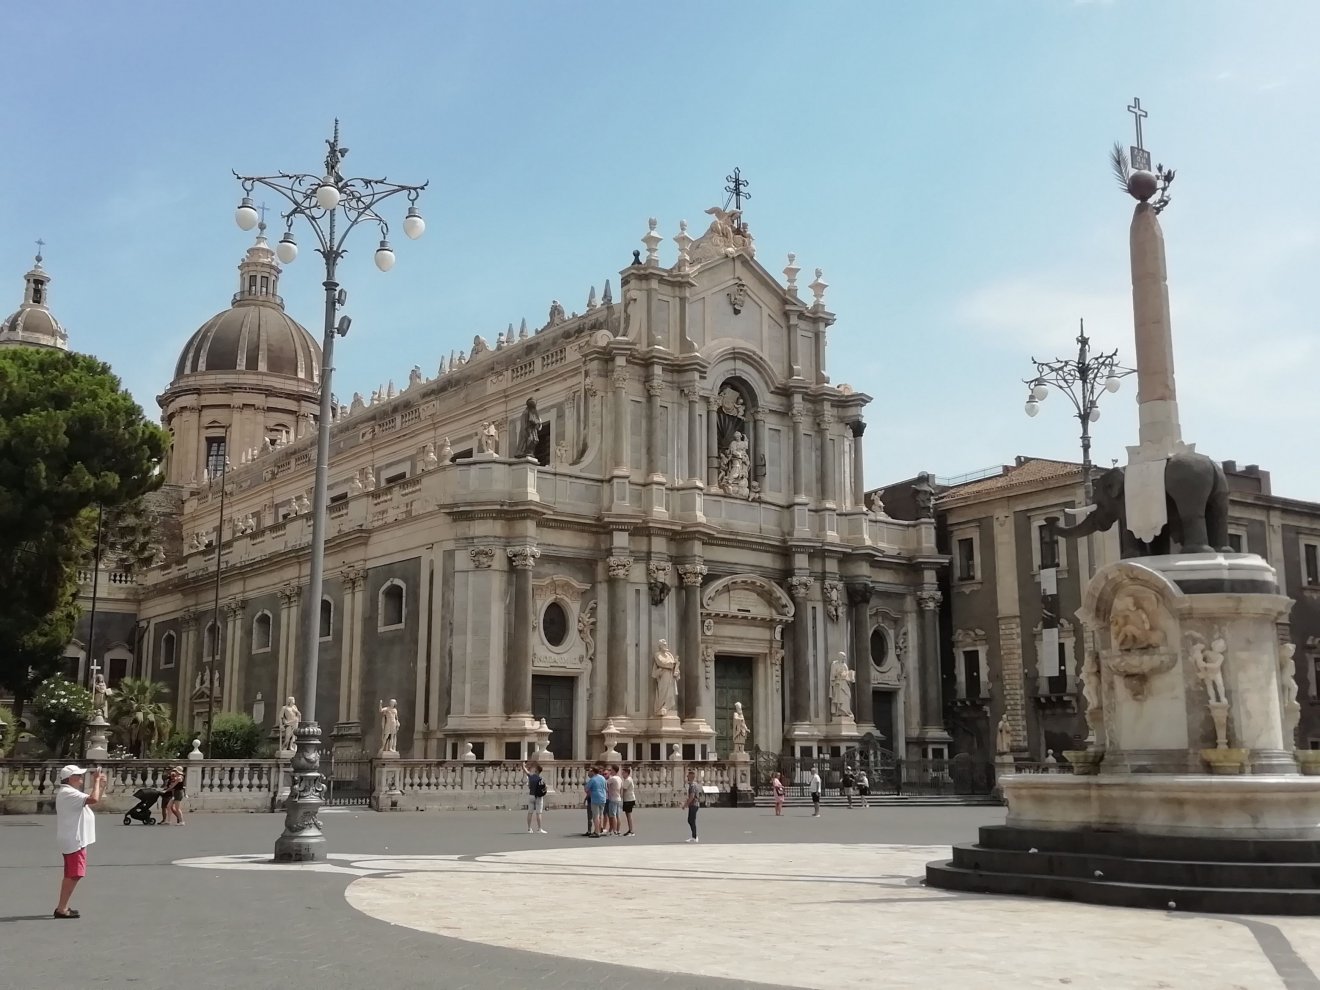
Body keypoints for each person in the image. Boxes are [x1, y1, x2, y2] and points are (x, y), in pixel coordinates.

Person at [54, 765, 105, 919]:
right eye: (79, 775)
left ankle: (63, 906)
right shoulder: (68, 793)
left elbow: (92, 799)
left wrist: (100, 786)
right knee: (74, 874)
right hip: (74, 839)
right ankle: (62, 908)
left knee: (73, 873)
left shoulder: (70, 792)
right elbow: (93, 799)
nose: (82, 778)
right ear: (71, 778)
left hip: (74, 838)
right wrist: (96, 781)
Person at [524, 762, 547, 834]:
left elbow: (525, 771)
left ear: (536, 770)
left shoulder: (531, 776)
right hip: (538, 797)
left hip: (531, 795)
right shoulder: (540, 778)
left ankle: (529, 828)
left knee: (530, 812)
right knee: (538, 813)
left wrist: (523, 765)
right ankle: (539, 828)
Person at [586, 765, 607, 837]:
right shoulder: (603, 778)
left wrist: (590, 792)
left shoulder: (593, 779)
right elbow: (605, 788)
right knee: (601, 815)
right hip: (603, 797)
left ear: (593, 772)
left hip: (595, 798)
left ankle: (597, 831)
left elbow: (586, 789)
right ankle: (599, 829)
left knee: (596, 815)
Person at [682, 768, 701, 843]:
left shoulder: (692, 785)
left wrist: (685, 805)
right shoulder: (693, 785)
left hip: (694, 804)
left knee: (691, 820)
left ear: (691, 777)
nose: (687, 777)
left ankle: (695, 836)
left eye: (688, 776)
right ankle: (694, 836)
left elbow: (692, 796)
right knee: (691, 820)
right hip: (694, 804)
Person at [605, 765, 623, 836]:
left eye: (611, 770)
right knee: (618, 815)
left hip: (612, 798)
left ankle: (614, 830)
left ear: (614, 770)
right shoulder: (619, 778)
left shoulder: (612, 779)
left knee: (613, 815)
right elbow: (621, 788)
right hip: (618, 798)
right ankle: (618, 830)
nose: (610, 771)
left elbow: (606, 784)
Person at [620, 766, 637, 836]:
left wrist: (620, 797)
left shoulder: (628, 780)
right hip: (628, 799)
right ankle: (630, 829)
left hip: (629, 799)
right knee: (627, 815)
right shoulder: (628, 779)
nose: (622, 774)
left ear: (627, 773)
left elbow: (624, 789)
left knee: (629, 815)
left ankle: (631, 830)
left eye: (623, 773)